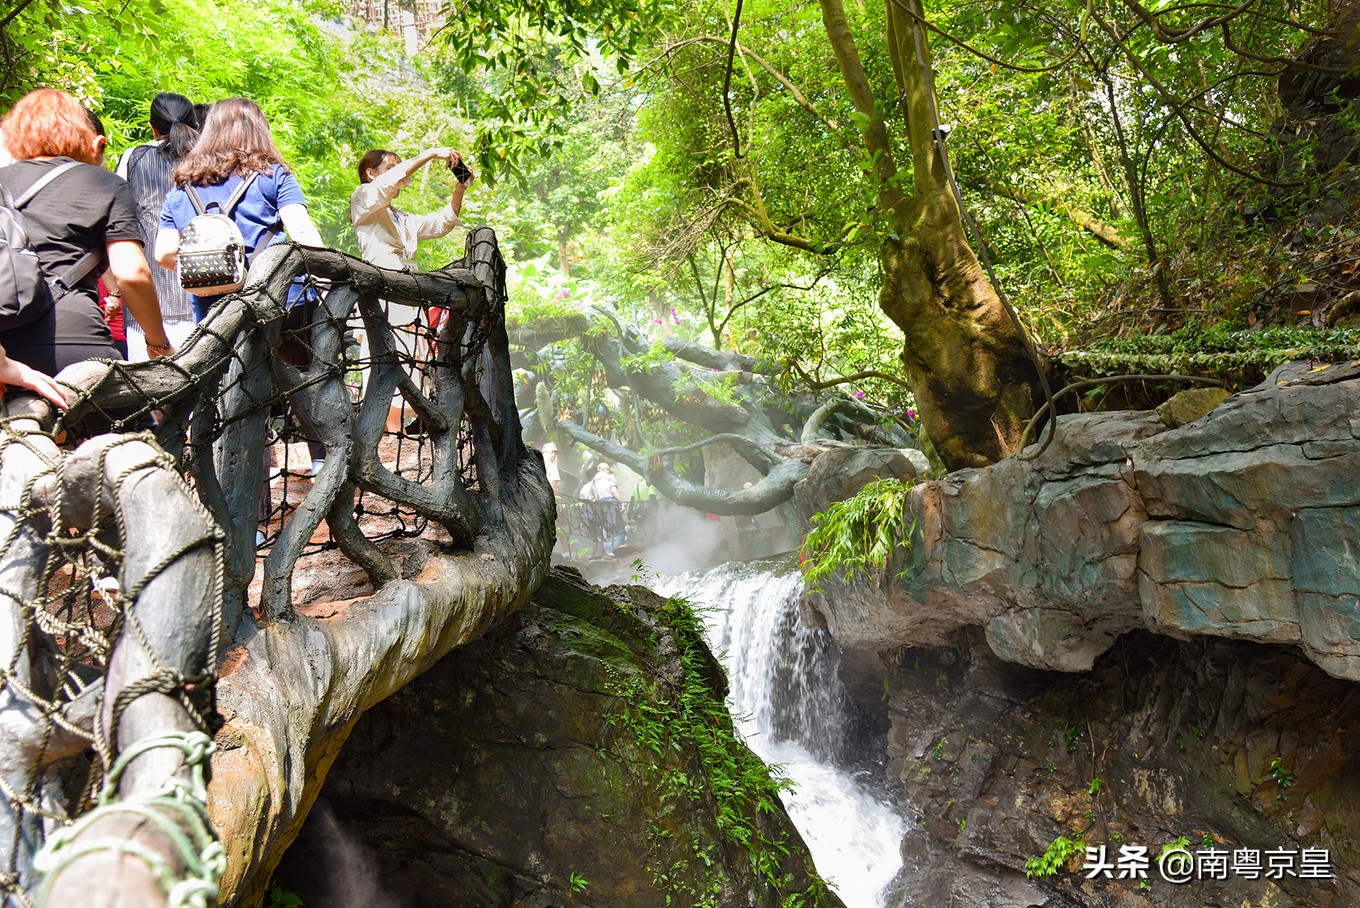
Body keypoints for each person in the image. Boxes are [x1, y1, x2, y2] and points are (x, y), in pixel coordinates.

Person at [0, 89, 174, 379]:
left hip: (6, 346)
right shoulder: (105, 184)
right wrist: (157, 342)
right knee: (135, 423)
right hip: (76, 343)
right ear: (85, 137)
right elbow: (131, 273)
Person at [155, 97, 324, 321]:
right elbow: (303, 232)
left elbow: (164, 253)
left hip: (213, 308)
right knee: (303, 354)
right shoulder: (273, 174)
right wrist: (327, 279)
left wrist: (214, 272)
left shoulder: (182, 185)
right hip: (280, 298)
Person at [349, 145, 472, 433]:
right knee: (387, 352)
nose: (399, 173)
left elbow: (440, 224)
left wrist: (460, 186)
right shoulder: (363, 197)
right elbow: (387, 185)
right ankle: (387, 431)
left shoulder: (400, 217)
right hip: (383, 285)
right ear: (371, 172)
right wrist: (430, 154)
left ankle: (396, 432)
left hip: (408, 289)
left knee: (412, 354)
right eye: (392, 167)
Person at [115, 92, 201, 360]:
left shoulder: (134, 157)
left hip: (148, 302)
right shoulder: (208, 159)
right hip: (206, 293)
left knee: (152, 394)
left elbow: (119, 221)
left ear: (152, 127)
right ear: (195, 125)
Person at [585, 462, 625, 557]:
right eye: (608, 469)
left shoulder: (594, 480)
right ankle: (616, 550)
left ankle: (608, 553)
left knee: (607, 531)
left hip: (600, 506)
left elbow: (593, 497)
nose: (608, 471)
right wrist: (622, 502)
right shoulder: (609, 477)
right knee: (620, 530)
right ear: (605, 469)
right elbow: (614, 491)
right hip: (611, 504)